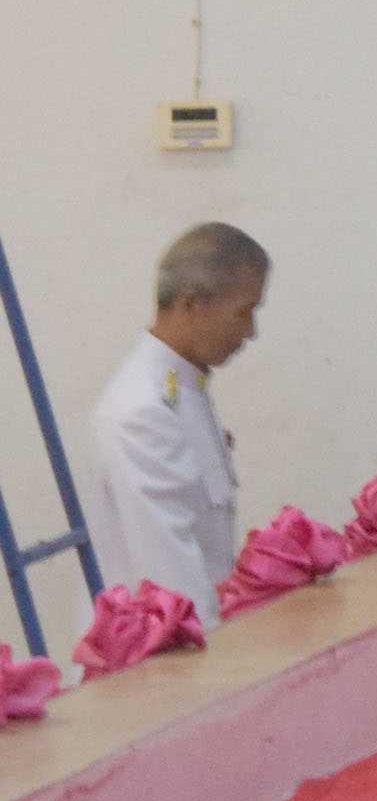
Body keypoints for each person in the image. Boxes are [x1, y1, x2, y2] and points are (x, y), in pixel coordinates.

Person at [89, 224, 268, 626]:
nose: (250, 332)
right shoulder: (141, 412)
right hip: (167, 651)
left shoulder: (184, 390)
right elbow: (172, 580)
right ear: (192, 304)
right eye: (243, 312)